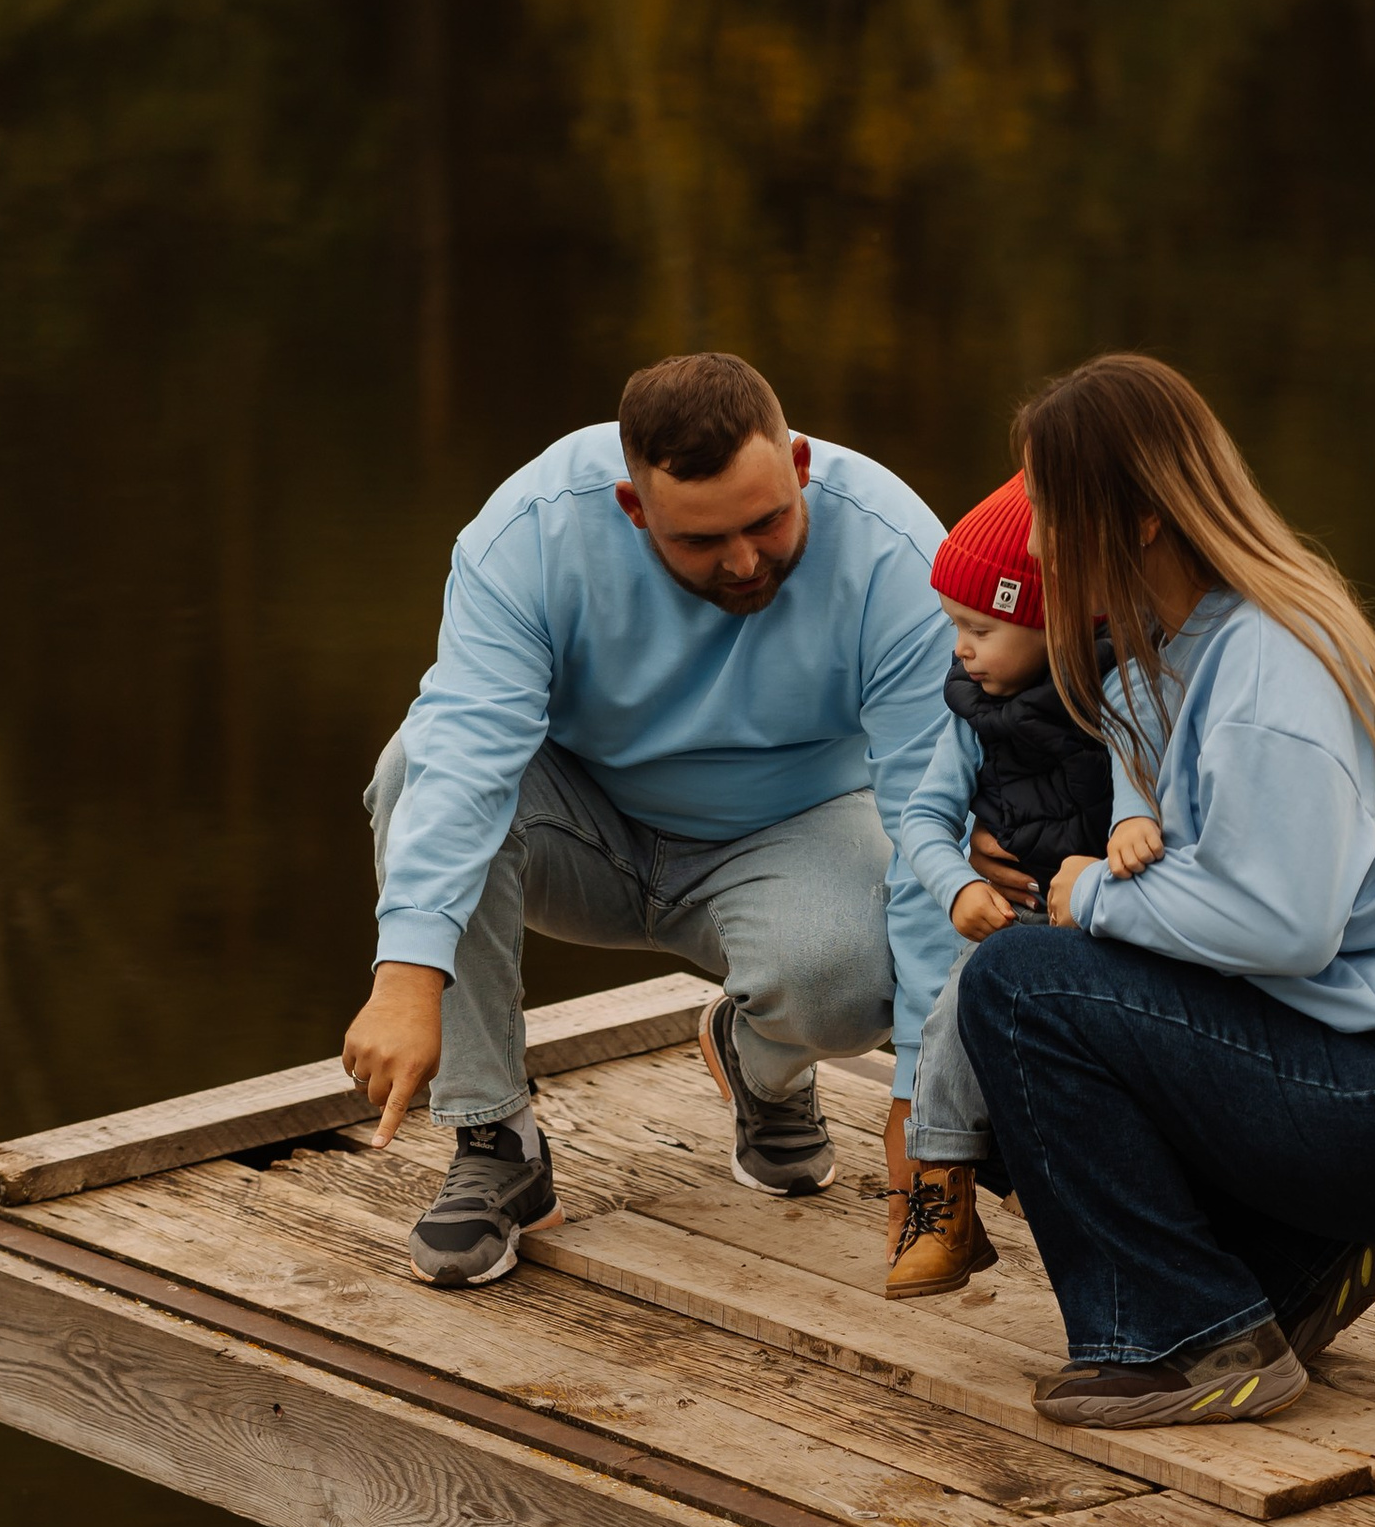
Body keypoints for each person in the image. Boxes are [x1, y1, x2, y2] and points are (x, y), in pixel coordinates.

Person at [948, 354, 1375, 1429]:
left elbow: (1282, 923)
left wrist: (1089, 904)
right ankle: (1277, 1282)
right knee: (1026, 1013)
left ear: (1142, 519)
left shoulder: (1269, 666)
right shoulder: (1191, 647)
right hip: (1374, 1065)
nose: (1039, 543)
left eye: (1054, 510)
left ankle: (1180, 1336)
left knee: (1019, 987)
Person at [341, 352, 960, 1287]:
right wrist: (406, 973)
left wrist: (924, 1096)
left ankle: (762, 1068)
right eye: (703, 541)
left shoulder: (896, 552)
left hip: (794, 827)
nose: (746, 560)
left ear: (798, 465)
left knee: (847, 975)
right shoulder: (531, 529)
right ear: (636, 509)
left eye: (768, 521)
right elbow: (467, 752)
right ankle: (493, 1139)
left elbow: (931, 820)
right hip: (581, 825)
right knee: (412, 767)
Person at [884, 476, 1162, 1298]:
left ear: (1057, 622)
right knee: (961, 996)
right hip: (1034, 920)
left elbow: (1137, 770)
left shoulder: (1123, 686)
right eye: (953, 628)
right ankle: (943, 1194)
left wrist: (1129, 825)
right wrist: (955, 884)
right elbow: (922, 816)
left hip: (1116, 912)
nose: (960, 649)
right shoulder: (975, 713)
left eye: (981, 627)